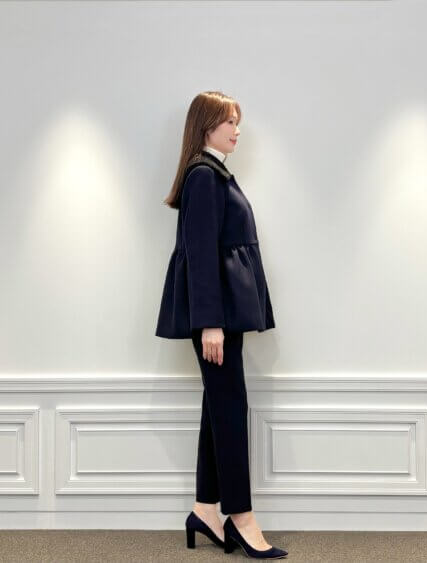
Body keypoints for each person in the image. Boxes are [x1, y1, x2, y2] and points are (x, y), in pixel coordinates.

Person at [155, 91, 287, 559]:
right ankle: (242, 518)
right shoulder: (204, 177)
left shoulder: (213, 173)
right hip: (217, 320)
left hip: (224, 316)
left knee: (219, 407)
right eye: (229, 122)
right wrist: (210, 323)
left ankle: (205, 509)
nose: (237, 130)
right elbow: (200, 254)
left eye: (237, 122)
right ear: (206, 125)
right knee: (230, 409)